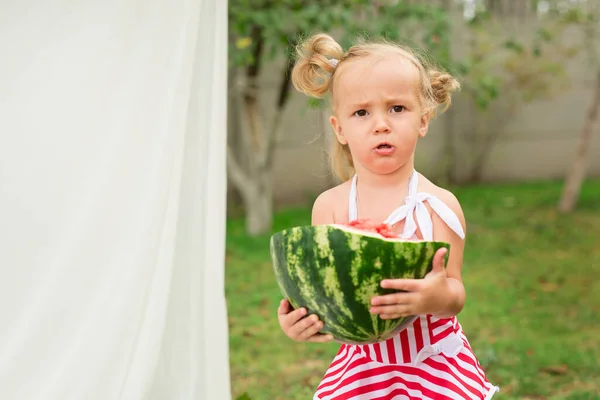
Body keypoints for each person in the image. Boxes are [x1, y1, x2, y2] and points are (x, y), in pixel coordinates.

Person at [276, 33, 500, 400]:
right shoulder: (330, 207)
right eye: (361, 112)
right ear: (340, 129)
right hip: (363, 367)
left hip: (433, 365)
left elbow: (455, 292)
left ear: (423, 120)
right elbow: (327, 296)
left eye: (397, 108)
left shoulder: (438, 204)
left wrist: (435, 295)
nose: (381, 124)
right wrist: (302, 320)